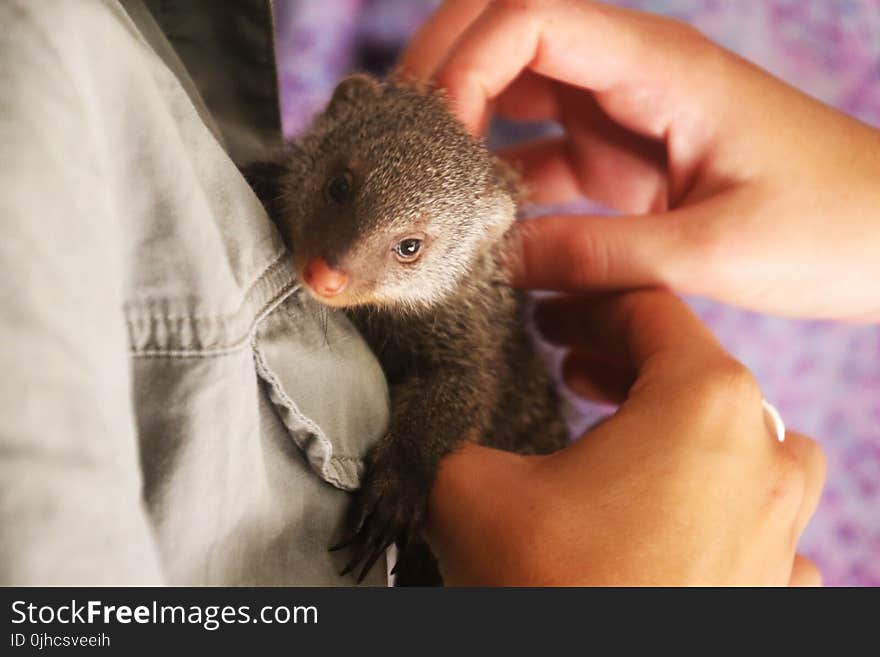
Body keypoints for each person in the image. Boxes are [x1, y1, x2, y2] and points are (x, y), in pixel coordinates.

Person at [0, 0, 852, 586]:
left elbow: (452, 384)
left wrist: (410, 468)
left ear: (478, 238)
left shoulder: (459, 312)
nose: (333, 267)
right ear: (335, 122)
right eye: (337, 191)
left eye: (406, 249)